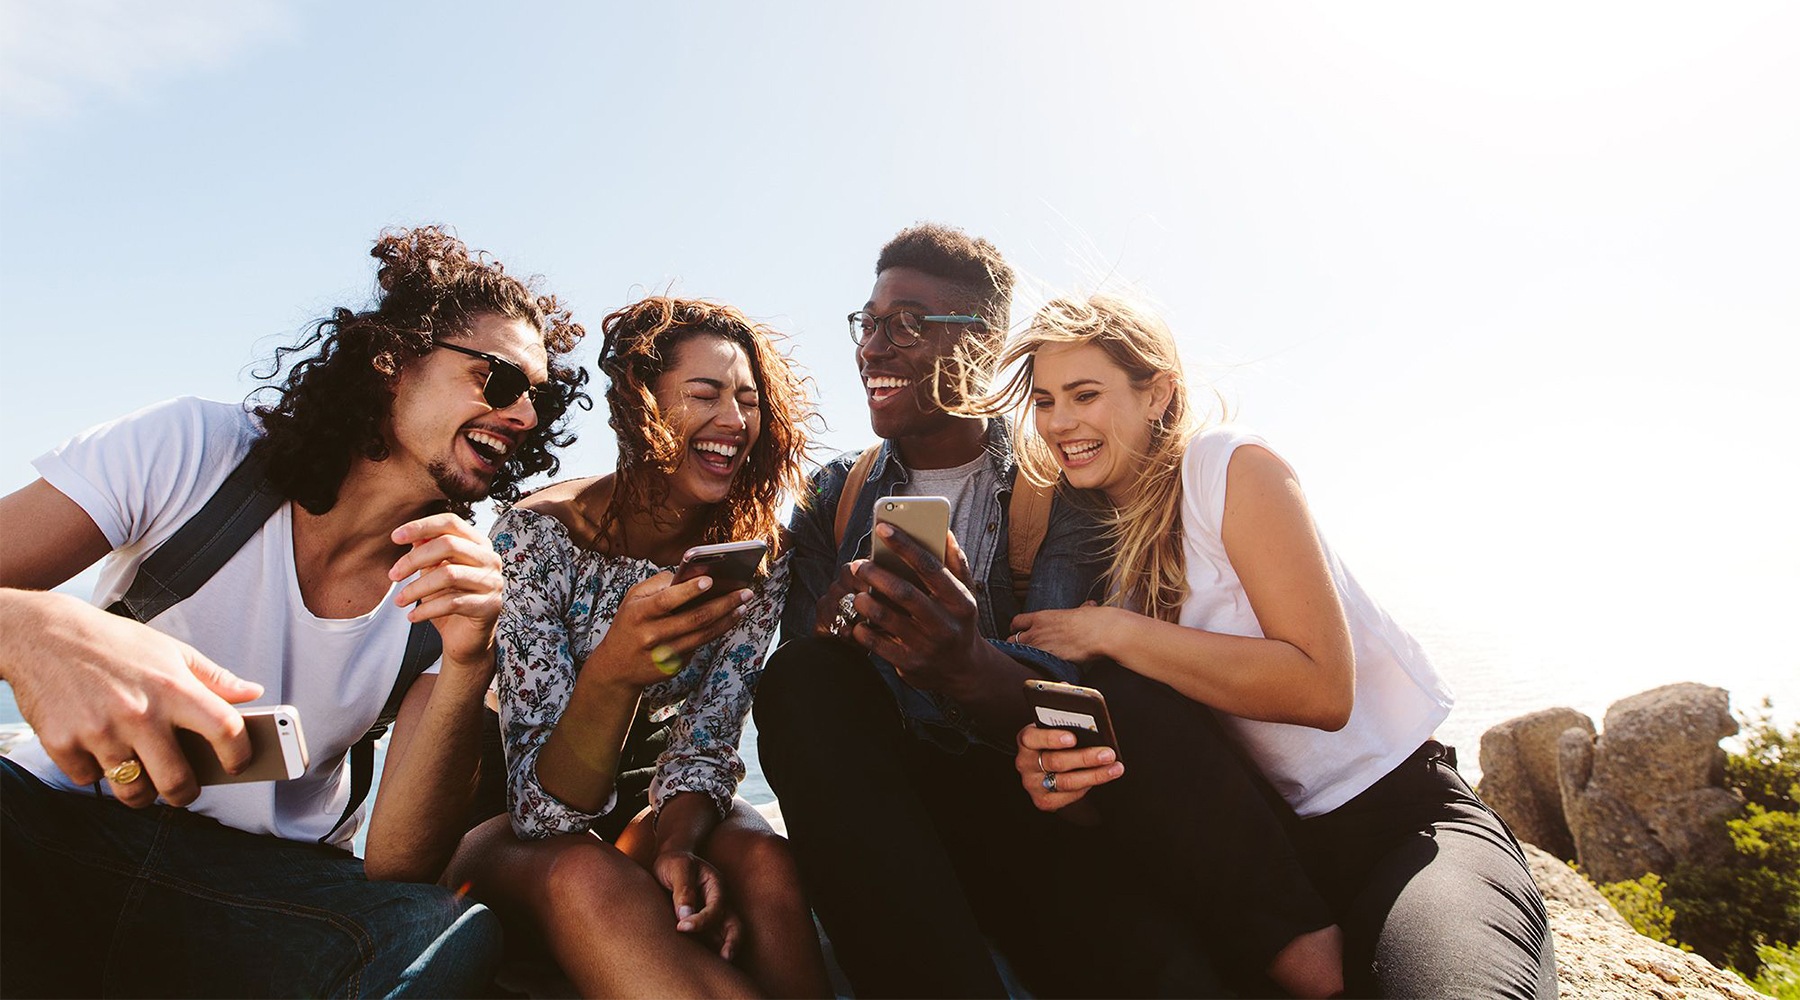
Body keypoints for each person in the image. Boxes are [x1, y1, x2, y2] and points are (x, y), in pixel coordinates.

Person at [754, 224, 1341, 998]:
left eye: (908, 325)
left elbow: (1065, 681)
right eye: (869, 324)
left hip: (1031, 797)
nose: (873, 348)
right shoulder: (837, 494)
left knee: (1161, 972)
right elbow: (807, 682)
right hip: (884, 803)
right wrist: (838, 625)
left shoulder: (1058, 483)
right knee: (800, 680)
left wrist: (963, 658)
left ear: (983, 343)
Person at [0, 226, 589, 997]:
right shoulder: (195, 451)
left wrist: (471, 659)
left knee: (436, 933)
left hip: (263, 890)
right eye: (500, 380)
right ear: (393, 361)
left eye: (539, 400)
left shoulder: (458, 586)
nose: (522, 416)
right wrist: (35, 627)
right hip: (57, 825)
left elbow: (399, 864)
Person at [999, 294, 1557, 998]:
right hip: (1268, 866)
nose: (1060, 422)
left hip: (1404, 823)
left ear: (1158, 393)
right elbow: (1156, 765)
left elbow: (1322, 689)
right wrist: (1059, 780)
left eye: (1085, 394)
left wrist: (1118, 631)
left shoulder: (1227, 467)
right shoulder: (1100, 561)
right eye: (1045, 401)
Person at [442, 296, 832, 998]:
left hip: (647, 816)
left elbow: (706, 745)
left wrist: (679, 847)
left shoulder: (754, 557)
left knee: (764, 860)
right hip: (506, 828)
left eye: (749, 400)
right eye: (705, 394)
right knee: (586, 869)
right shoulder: (536, 539)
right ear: (640, 403)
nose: (735, 422)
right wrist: (616, 672)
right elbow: (544, 816)